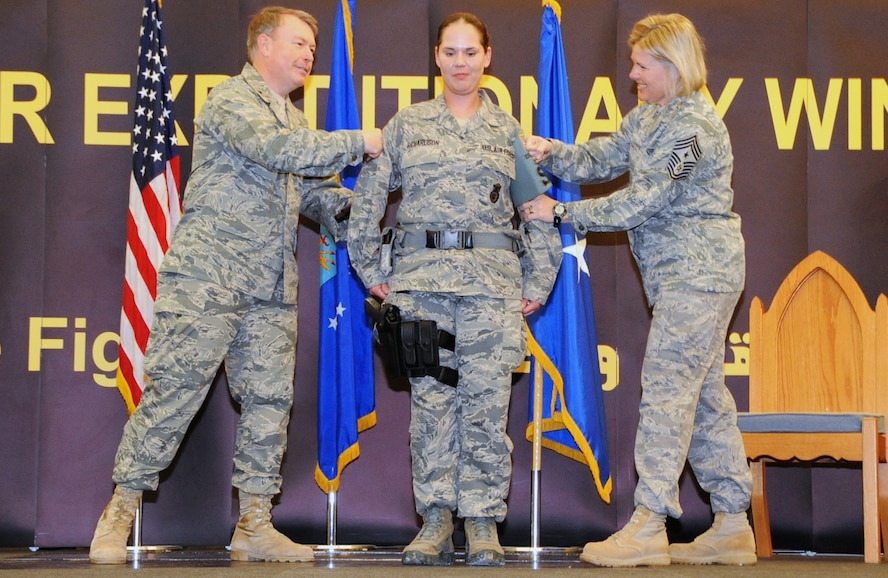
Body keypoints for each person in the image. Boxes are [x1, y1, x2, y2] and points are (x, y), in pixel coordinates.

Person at [88, 6, 383, 565]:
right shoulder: (230, 100)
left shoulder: (296, 121)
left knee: (270, 402)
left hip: (270, 287)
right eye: (298, 43)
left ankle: (254, 524)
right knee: (174, 393)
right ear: (262, 45)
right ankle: (118, 513)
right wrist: (359, 142)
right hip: (209, 279)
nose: (307, 55)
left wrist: (370, 207)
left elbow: (316, 199)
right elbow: (276, 154)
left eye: (313, 49)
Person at [520, 13, 756, 568]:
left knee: (668, 390)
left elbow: (644, 200)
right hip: (678, 278)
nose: (633, 75)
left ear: (673, 66)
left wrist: (562, 213)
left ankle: (650, 521)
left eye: (643, 65)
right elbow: (601, 159)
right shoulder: (648, 118)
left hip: (701, 274)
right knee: (702, 399)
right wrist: (550, 152)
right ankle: (732, 522)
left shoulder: (695, 128)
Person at [347, 12, 561, 567]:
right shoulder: (406, 125)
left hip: (492, 290)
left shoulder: (509, 132)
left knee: (488, 407)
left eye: (471, 52)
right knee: (433, 406)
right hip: (420, 288)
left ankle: (484, 522)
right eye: (451, 52)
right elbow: (369, 200)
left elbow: (536, 211)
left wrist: (539, 279)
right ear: (437, 58)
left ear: (487, 58)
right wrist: (372, 270)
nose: (461, 62)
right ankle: (437, 519)